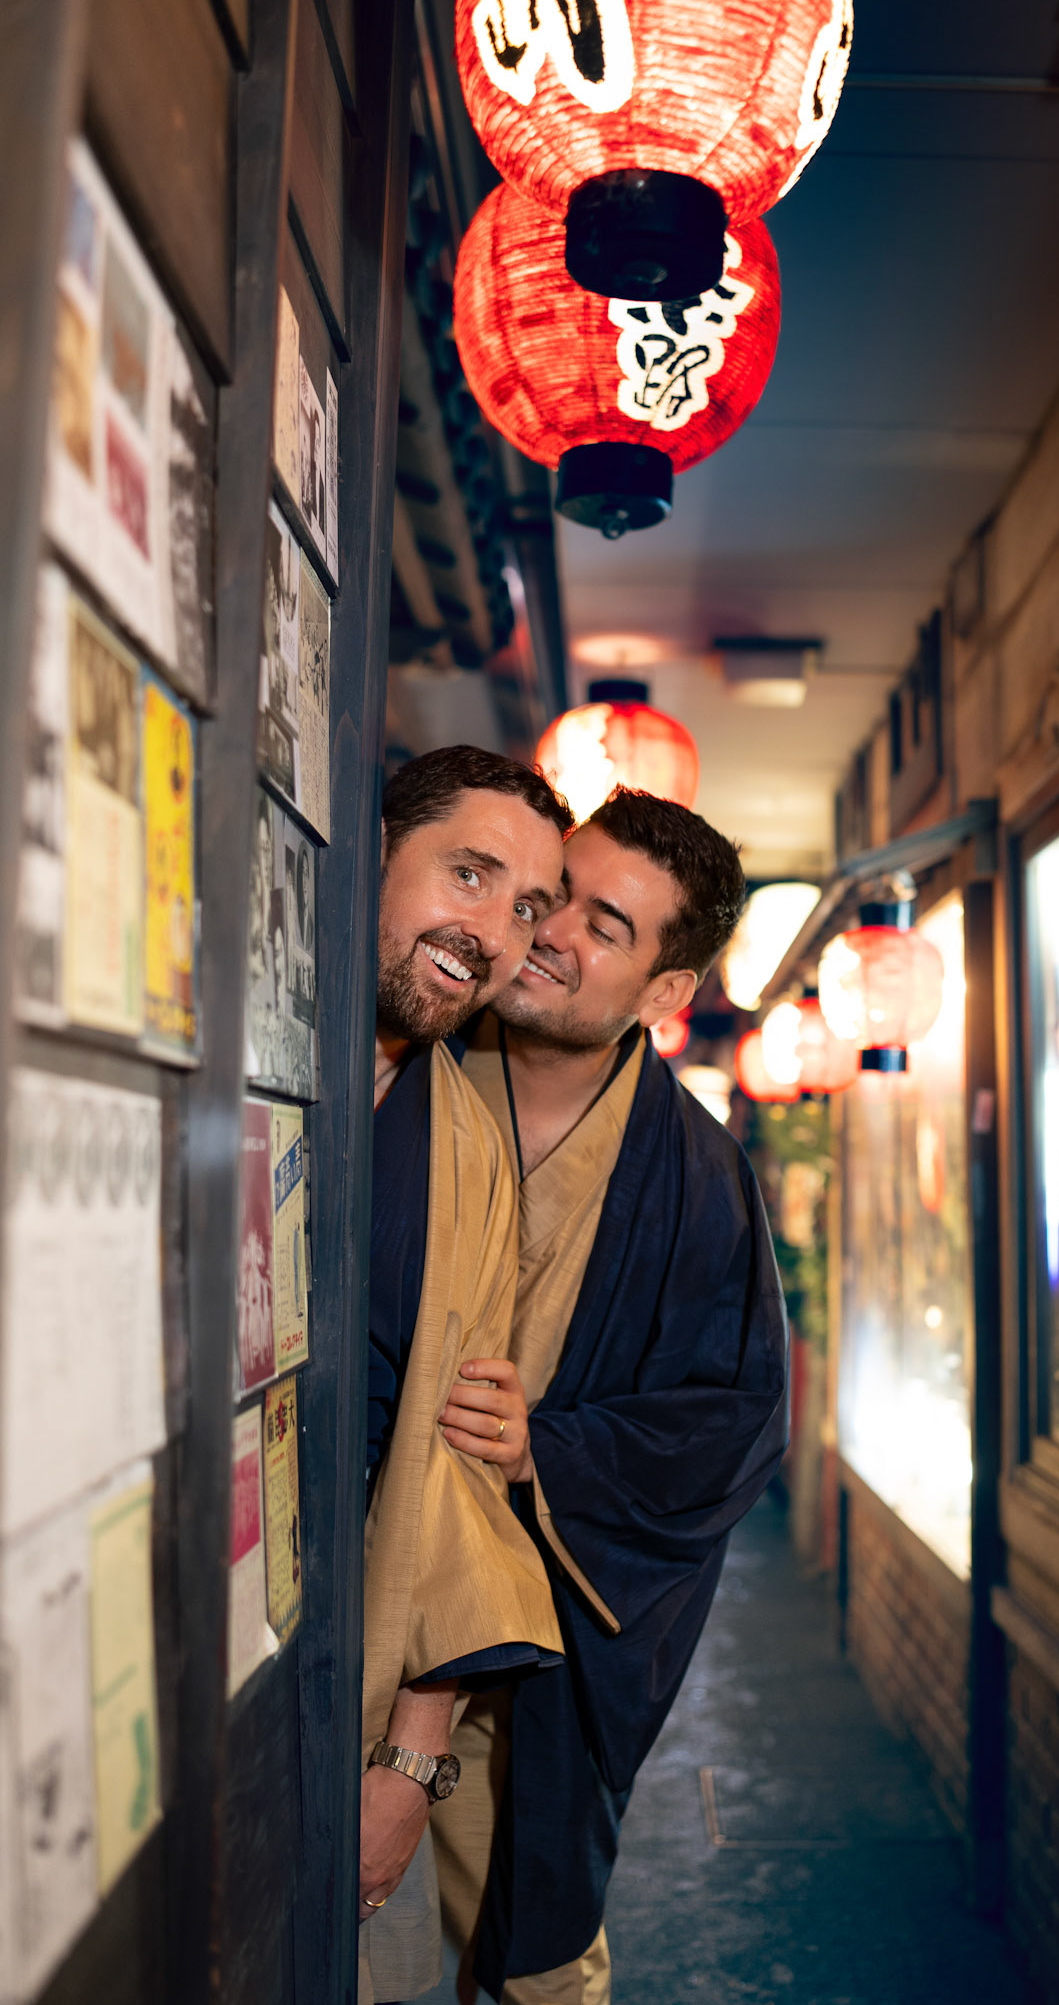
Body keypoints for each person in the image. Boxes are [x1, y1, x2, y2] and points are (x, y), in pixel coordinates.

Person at [429, 787, 789, 2004]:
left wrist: (554, 1449)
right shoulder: (402, 1066)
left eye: (610, 924)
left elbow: (731, 1420)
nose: (552, 930)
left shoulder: (698, 1184)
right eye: (556, 892)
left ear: (665, 992)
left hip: (531, 1642)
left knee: (536, 1959)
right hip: (359, 1603)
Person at [359, 745, 574, 2005]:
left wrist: (415, 1756)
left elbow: (459, 1458)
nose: (492, 931)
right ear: (375, 847)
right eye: (470, 873)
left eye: (524, 907)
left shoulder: (470, 1149)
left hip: (364, 1662)